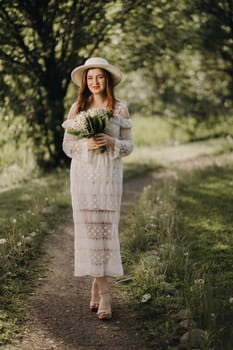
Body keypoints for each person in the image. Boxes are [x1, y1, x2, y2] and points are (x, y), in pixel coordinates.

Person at [62, 57, 133, 320]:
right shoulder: (78, 107)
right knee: (90, 234)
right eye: (90, 78)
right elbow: (67, 147)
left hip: (109, 177)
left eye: (99, 77)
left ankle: (96, 286)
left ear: (107, 80)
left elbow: (129, 146)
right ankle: (105, 294)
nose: (94, 82)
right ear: (84, 82)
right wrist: (86, 145)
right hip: (83, 177)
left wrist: (112, 141)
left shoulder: (119, 109)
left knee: (105, 233)